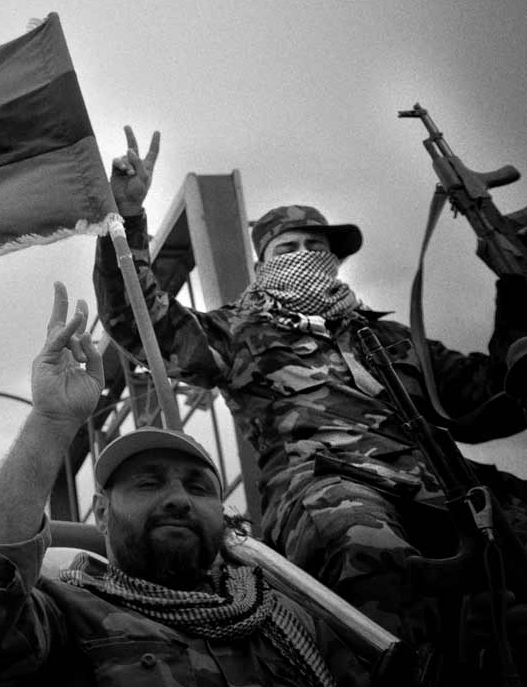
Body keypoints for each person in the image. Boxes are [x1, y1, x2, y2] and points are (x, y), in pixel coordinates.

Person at [93, 126, 527, 655]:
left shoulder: (389, 338)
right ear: (265, 264)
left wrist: (516, 287)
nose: (305, 255)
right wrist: (127, 220)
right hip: (325, 486)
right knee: (360, 543)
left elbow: (493, 402)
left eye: (316, 246)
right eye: (289, 248)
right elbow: (142, 325)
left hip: (440, 482)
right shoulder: (241, 332)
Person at [0, 284, 368, 687]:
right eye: (148, 482)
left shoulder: (294, 620)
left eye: (199, 487)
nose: (179, 498)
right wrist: (51, 421)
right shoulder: (69, 618)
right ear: (101, 513)